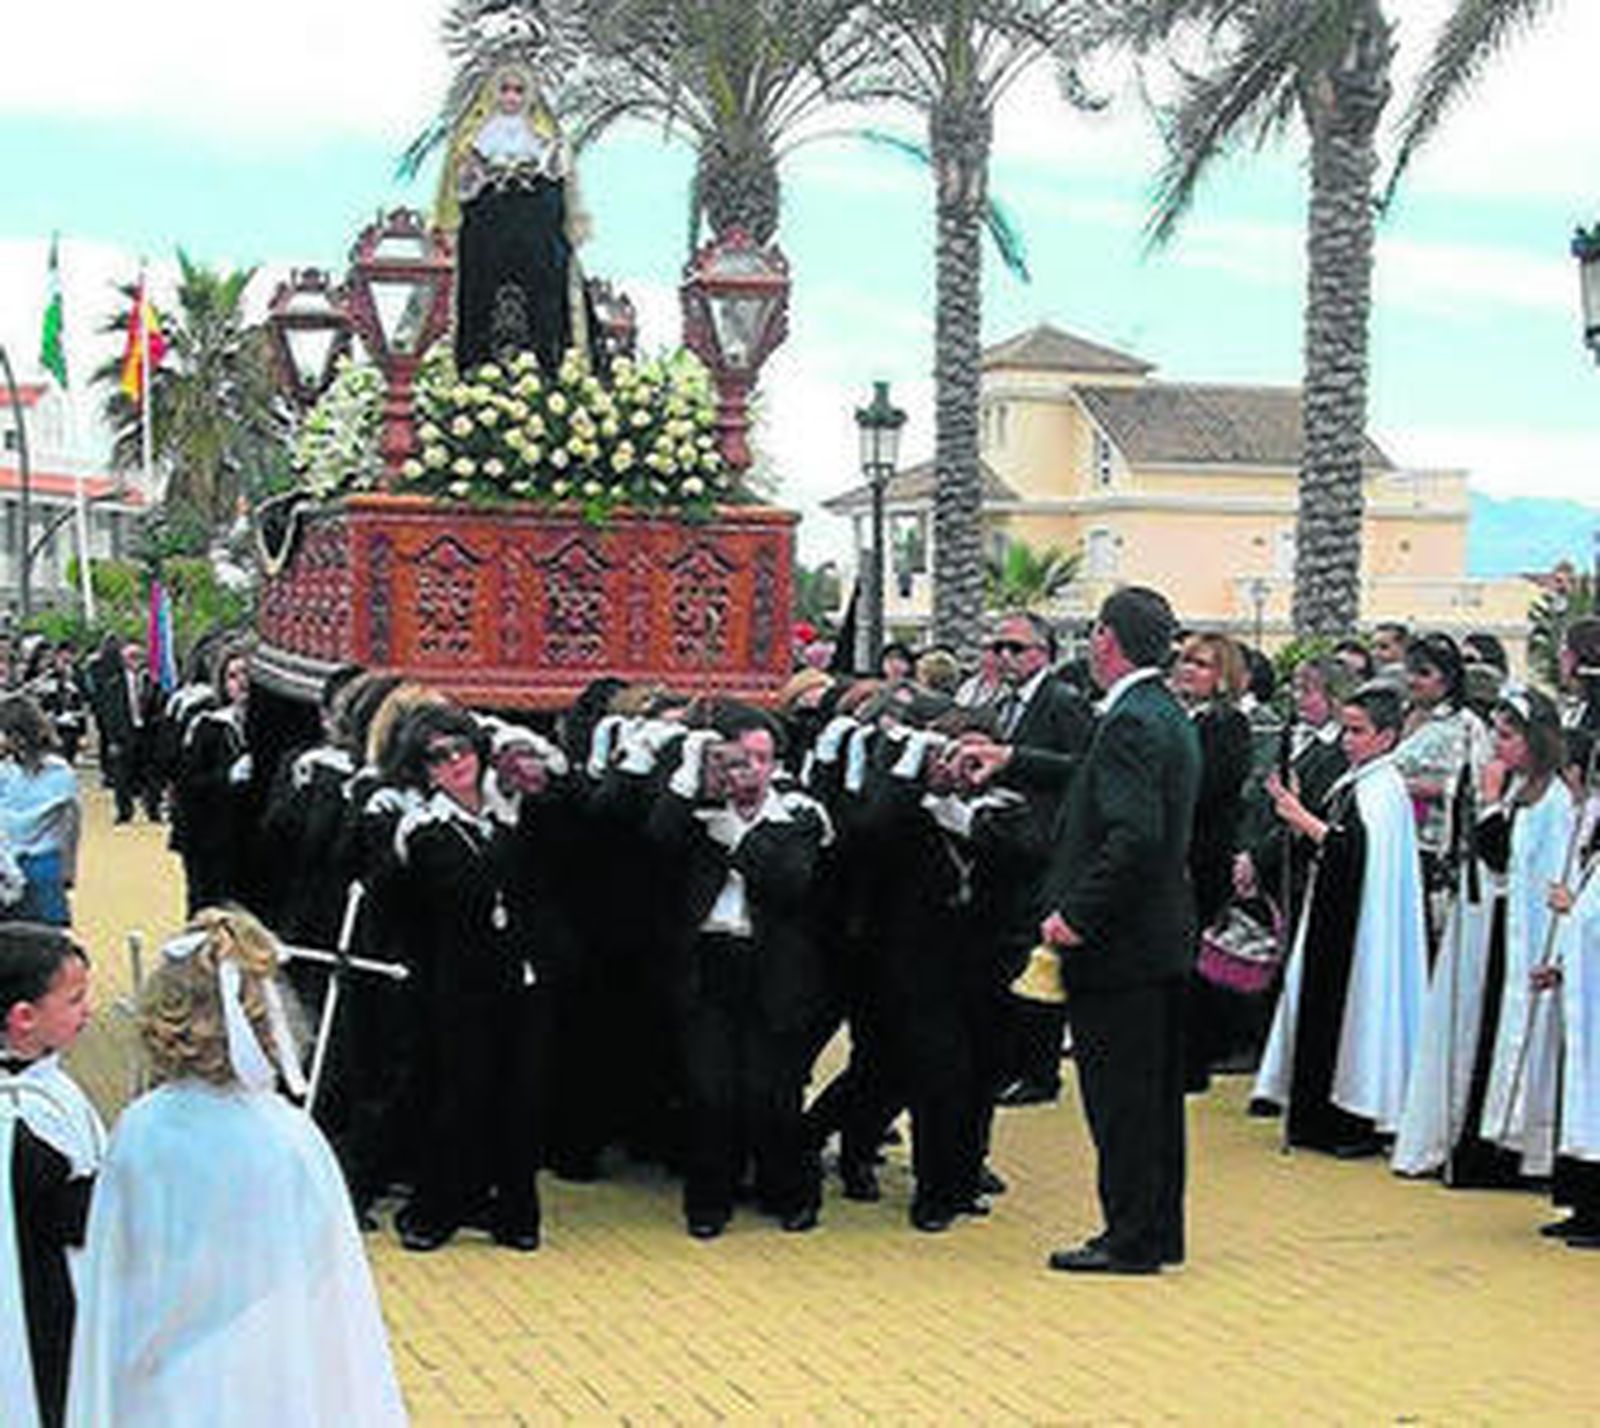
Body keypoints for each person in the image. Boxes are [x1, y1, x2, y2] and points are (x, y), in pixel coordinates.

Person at [64, 907, 406, 1426]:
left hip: (159, 1377)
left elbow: (117, 1265)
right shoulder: (289, 1138)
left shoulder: (140, 1129)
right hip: (272, 1373)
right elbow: (327, 1278)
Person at [1032, 587, 1199, 1275]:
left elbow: (1133, 834)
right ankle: (1156, 1230)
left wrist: (1077, 913)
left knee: (1123, 1101)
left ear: (1106, 638)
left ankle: (1128, 1236)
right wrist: (1014, 760)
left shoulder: (1131, 718)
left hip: (1120, 946)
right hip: (1157, 939)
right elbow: (1102, 784)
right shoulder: (1163, 710)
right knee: (1154, 1102)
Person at [649, 709, 832, 1239]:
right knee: (710, 1092)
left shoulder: (797, 814)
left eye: (760, 759)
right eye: (736, 760)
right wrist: (690, 774)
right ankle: (707, 1202)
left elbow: (792, 881)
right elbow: (657, 837)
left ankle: (789, 1192)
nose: (747, 772)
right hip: (710, 961)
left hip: (773, 967)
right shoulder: (699, 809)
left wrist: (740, 840)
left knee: (772, 1092)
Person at [389, 704, 564, 1252]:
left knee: (524, 1097)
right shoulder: (424, 828)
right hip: (460, 980)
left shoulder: (506, 808)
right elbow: (465, 891)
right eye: (438, 757)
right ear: (424, 770)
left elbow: (558, 819)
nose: (455, 762)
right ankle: (434, 1212)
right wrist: (508, 823)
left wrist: (520, 772)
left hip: (522, 974)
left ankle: (517, 1215)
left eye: (462, 749)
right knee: (462, 1096)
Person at [1393, 688, 1572, 1182]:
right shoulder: (1518, 790)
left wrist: (1491, 803)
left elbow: (1508, 860)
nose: (1498, 744)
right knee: (1483, 1032)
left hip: (1525, 939)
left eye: (1509, 735)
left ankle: (1513, 1150)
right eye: (1496, 732)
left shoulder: (1552, 801)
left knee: (1510, 1034)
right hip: (1495, 930)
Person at [1254, 683, 1428, 1157]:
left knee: (1348, 1011)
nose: (1348, 740)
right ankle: (1316, 1115)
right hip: (1333, 918)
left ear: (1387, 737)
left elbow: (1352, 851)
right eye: (1346, 730)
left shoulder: (1383, 790)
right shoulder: (1357, 783)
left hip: (1356, 928)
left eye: (1358, 731)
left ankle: (1349, 1119)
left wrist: (1300, 816)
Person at [1, 924, 102, 1428]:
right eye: (75, 1000)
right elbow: (72, 1217)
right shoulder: (26, 1118)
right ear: (24, 1017)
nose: (90, 1011)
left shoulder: (48, 1088)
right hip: (40, 1308)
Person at [437, 61, 591, 378]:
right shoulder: (472, 133)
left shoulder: (545, 133)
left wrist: (546, 168)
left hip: (533, 222)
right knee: (479, 294)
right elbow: (459, 185)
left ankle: (547, 365)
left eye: (519, 90)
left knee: (544, 292)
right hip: (488, 224)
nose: (511, 98)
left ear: (529, 95)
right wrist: (475, 172)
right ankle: (476, 367)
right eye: (504, 90)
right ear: (493, 94)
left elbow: (560, 183)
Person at [1171, 632, 1253, 1091]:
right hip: (1178, 855)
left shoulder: (1228, 725)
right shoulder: (1183, 717)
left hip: (1202, 859)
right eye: (1184, 661)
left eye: (1200, 664)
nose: (1187, 669)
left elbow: (1209, 788)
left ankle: (1193, 1060)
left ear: (1223, 676)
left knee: (1195, 963)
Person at [0, 698, 81, 926]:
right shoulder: (5, 770)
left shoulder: (60, 772)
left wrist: (67, 868)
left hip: (41, 866)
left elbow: (70, 824)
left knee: (46, 943)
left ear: (17, 736)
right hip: (7, 867)